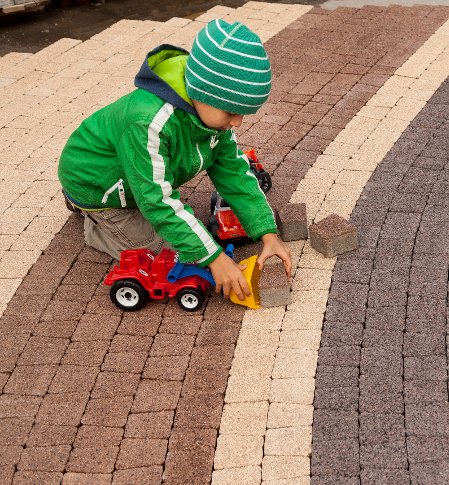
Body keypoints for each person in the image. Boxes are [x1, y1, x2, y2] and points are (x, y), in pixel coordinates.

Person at [58, 19, 290, 301]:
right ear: (202, 92)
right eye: (231, 112)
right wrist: (214, 259)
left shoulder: (212, 120)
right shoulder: (149, 123)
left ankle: (97, 209)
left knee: (191, 239)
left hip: (135, 179)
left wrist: (267, 233)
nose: (238, 123)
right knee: (169, 254)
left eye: (243, 114)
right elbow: (156, 200)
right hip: (97, 185)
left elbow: (234, 173)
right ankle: (92, 217)